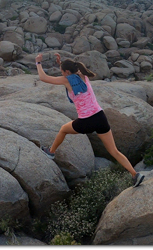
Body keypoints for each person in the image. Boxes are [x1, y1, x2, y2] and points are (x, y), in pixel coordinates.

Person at [35, 53, 144, 187]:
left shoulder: (67, 80)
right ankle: (135, 174)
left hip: (86, 121)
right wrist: (61, 63)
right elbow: (70, 71)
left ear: (67, 72)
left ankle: (51, 152)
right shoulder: (83, 75)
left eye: (62, 71)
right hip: (100, 116)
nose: (62, 74)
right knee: (114, 151)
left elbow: (43, 77)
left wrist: (38, 63)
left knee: (63, 129)